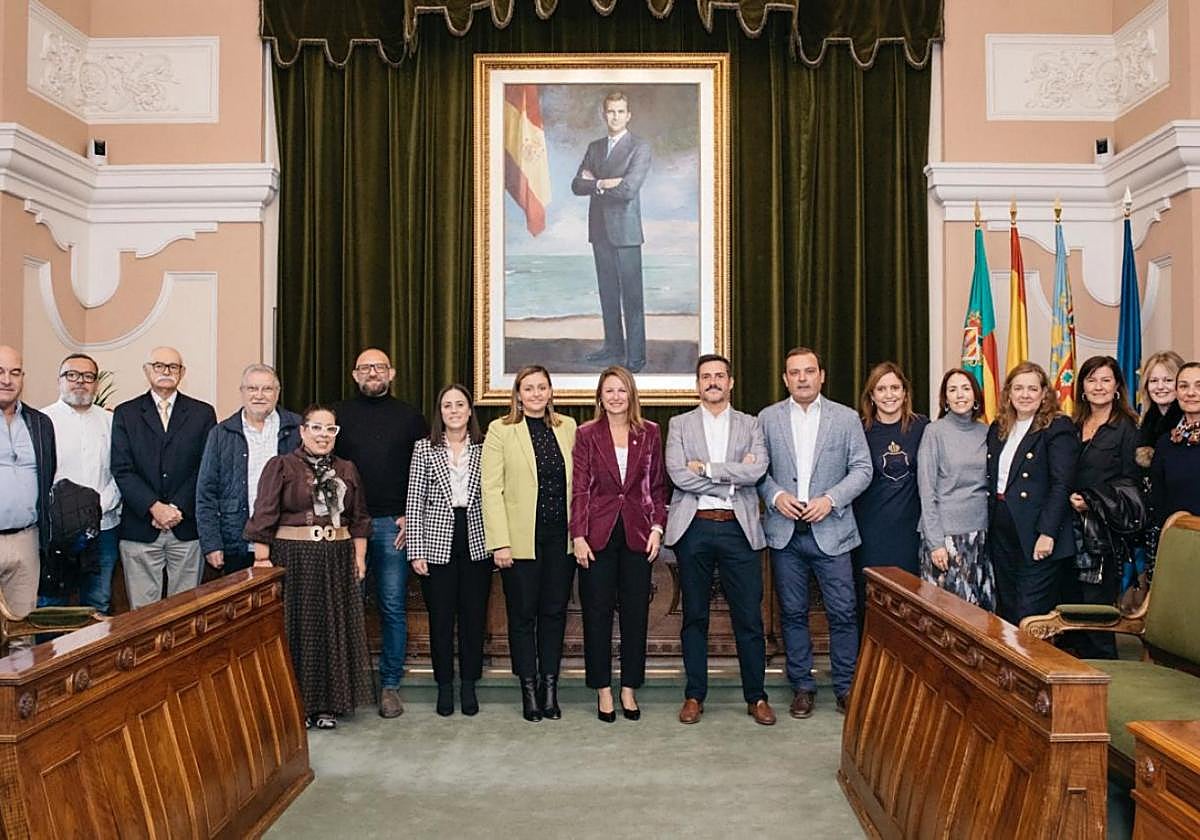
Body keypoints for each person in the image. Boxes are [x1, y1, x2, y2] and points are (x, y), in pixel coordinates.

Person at [758, 347, 871, 719]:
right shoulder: (768, 418)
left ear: (822, 375)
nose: (802, 378)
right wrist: (775, 496)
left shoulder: (846, 417)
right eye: (795, 372)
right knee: (791, 613)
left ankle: (845, 687)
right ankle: (802, 688)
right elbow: (758, 472)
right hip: (786, 533)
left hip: (832, 530)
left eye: (809, 371)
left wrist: (831, 499)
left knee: (843, 613)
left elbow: (862, 469)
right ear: (785, 379)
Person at [245, 405, 372, 730]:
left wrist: (359, 558)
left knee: (332, 629)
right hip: (294, 558)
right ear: (302, 431)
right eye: (317, 428)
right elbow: (264, 515)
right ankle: (297, 704)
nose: (323, 435)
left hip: (337, 558)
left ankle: (328, 705)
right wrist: (262, 560)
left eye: (330, 429)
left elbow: (359, 519)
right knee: (298, 629)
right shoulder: (281, 466)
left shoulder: (347, 468)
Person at [666, 354, 774, 726]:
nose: (713, 381)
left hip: (737, 528)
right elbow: (679, 475)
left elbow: (757, 469)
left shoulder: (751, 424)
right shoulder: (679, 425)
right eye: (705, 376)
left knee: (748, 617)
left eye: (719, 376)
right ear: (697, 385)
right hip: (693, 527)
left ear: (731, 382)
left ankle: (756, 696)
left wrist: (710, 469)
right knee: (694, 616)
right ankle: (694, 695)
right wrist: (734, 475)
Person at [334, 348, 429, 719]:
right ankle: (349, 684)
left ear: (392, 373)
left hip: (394, 526)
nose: (373, 373)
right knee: (348, 608)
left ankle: (390, 686)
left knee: (392, 608)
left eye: (380, 367)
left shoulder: (410, 417)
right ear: (355, 375)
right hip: (346, 529)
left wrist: (412, 514)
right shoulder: (337, 415)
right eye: (365, 368)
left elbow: (424, 470)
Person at [571, 366, 668, 722]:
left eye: (621, 390)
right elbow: (580, 488)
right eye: (609, 391)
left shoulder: (651, 432)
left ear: (632, 395)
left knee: (635, 616)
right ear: (599, 397)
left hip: (639, 536)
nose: (615, 397)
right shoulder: (586, 434)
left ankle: (629, 688)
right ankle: (603, 690)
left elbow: (657, 488)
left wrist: (657, 527)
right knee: (596, 615)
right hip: (596, 536)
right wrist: (578, 535)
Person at [482, 365, 577, 722]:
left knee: (554, 614)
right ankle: (529, 690)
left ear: (551, 392)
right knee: (522, 617)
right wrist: (500, 543)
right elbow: (491, 490)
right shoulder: (500, 430)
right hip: (520, 543)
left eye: (542, 387)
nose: (536, 394)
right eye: (529, 388)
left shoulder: (567, 428)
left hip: (561, 540)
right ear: (518, 395)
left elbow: (579, 484)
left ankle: (550, 690)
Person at [406, 384, 491, 717]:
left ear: (470, 411)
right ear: (439, 413)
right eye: (447, 406)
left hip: (477, 541)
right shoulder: (424, 449)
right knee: (441, 619)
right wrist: (417, 550)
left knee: (473, 617)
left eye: (460, 405)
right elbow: (414, 503)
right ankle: (444, 685)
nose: (454, 410)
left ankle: (468, 684)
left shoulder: (486, 448)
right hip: (437, 541)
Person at [111, 347, 216, 609]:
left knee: (186, 611)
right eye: (159, 365)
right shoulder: (127, 413)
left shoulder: (202, 413)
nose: (166, 371)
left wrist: (176, 508)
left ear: (182, 373)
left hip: (186, 526)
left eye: (173, 367)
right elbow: (122, 469)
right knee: (143, 615)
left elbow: (206, 468)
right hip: (140, 526)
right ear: (147, 370)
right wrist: (155, 507)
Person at [985, 362, 1078, 626]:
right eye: (1018, 388)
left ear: (1044, 394)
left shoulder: (1057, 427)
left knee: (1030, 612)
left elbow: (1061, 484)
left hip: (1037, 533)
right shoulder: (999, 428)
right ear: (1008, 393)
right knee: (1007, 607)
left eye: (1032, 388)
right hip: (1002, 528)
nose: (1025, 394)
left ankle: (1030, 667)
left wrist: (1047, 533)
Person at [1064, 356, 1141, 659]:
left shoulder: (1126, 429)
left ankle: (1106, 681)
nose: (1098, 387)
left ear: (1117, 387)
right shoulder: (1071, 425)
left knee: (1096, 612)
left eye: (1105, 380)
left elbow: (1131, 484)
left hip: (1103, 534)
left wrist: (1092, 502)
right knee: (1070, 607)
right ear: (1082, 387)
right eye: (1092, 379)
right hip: (1067, 529)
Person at [570, 91, 652, 373]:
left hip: (627, 234)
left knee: (631, 297)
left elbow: (629, 189)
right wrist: (606, 183)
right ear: (603, 114)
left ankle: (636, 357)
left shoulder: (639, 147)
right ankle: (613, 349)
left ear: (628, 115)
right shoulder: (594, 147)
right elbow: (576, 185)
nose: (615, 116)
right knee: (607, 294)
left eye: (620, 111)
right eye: (610, 111)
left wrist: (596, 183)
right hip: (600, 232)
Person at [196, 364, 301, 577]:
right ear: (242, 392)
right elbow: (206, 494)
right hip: (236, 541)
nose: (259, 395)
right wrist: (211, 543)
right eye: (252, 389)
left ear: (277, 393)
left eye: (267, 389)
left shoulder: (298, 429)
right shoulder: (220, 433)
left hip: (288, 538)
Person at [41, 353, 121, 613]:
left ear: (96, 383)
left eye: (88, 377)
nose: (80, 382)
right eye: (72, 375)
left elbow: (121, 470)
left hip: (104, 526)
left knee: (98, 602)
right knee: (53, 606)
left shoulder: (111, 422)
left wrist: (99, 508)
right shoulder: (42, 421)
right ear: (59, 380)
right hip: (57, 533)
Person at [850, 362, 928, 624]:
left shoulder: (922, 427)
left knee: (910, 604)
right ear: (871, 396)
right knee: (871, 602)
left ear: (905, 393)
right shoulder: (859, 430)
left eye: (895, 388)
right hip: (869, 531)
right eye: (881, 389)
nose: (889, 394)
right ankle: (871, 663)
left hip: (909, 532)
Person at [916, 369, 994, 610]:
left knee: (981, 613)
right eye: (952, 390)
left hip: (980, 536)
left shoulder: (988, 432)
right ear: (945, 399)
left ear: (975, 395)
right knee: (949, 614)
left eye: (965, 388)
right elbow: (926, 491)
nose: (960, 395)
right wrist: (935, 542)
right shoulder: (934, 431)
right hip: (946, 538)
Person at [0, 346, 56, 638]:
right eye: (0, 371)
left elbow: (48, 476)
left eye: (15, 372)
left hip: (26, 540)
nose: (7, 380)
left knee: (23, 633)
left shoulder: (40, 423)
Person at [1150, 362, 1200, 522]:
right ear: (1176, 393)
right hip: (1176, 540)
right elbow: (1158, 501)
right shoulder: (1166, 443)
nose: (1191, 393)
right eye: (1184, 386)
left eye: (1199, 386)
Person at [1135, 350, 1185, 469]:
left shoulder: (1190, 422)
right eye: (1153, 381)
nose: (1160, 387)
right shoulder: (1145, 424)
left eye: (1168, 380)